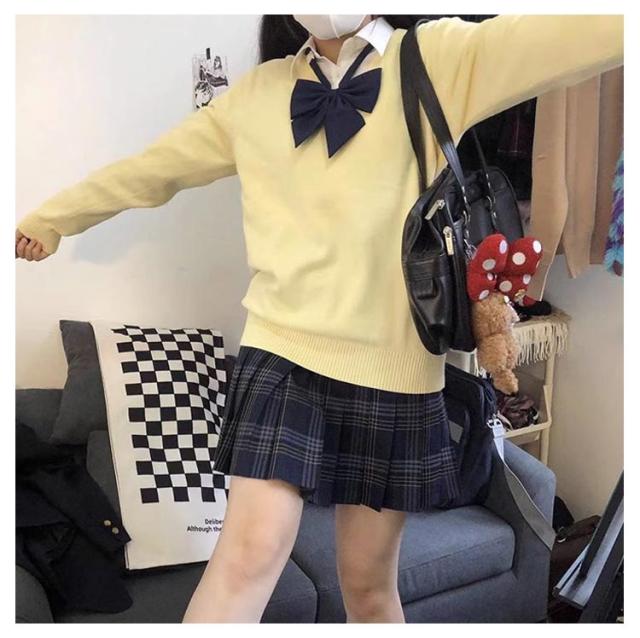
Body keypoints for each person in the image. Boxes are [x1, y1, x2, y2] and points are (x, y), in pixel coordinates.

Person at [16, 14, 623, 623]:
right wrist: (54, 218)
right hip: (281, 354)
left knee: (368, 587)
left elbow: (575, 32)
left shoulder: (437, 57)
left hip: (394, 368)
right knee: (245, 560)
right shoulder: (258, 95)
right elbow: (154, 168)